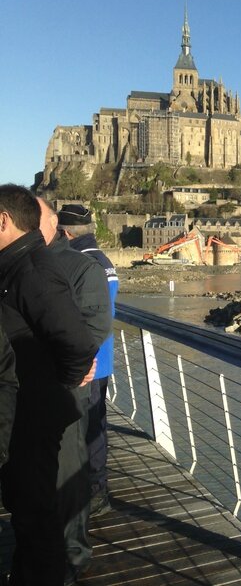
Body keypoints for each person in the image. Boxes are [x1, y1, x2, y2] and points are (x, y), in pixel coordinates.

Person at [0, 185, 97, 585]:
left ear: (2, 221)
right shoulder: (17, 264)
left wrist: (61, 380)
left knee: (37, 516)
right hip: (22, 408)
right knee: (28, 512)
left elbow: (77, 342)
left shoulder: (33, 270)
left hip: (32, 412)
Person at [38, 198, 111, 583]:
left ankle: (70, 553)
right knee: (89, 439)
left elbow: (90, 328)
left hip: (77, 375)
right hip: (90, 369)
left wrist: (72, 363)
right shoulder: (96, 264)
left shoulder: (79, 267)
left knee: (76, 454)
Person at [56, 203, 118, 518]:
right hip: (102, 359)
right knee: (96, 425)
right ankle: (95, 490)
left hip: (85, 362)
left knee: (84, 430)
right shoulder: (104, 261)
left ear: (65, 232)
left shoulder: (78, 263)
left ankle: (93, 493)